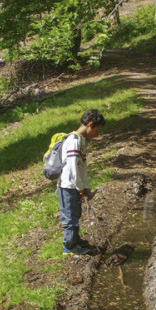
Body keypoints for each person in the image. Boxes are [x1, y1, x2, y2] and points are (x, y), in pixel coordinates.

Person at [58, 108, 105, 255]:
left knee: (76, 213)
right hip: (68, 186)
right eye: (96, 130)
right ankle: (69, 247)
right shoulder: (74, 141)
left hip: (74, 185)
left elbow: (81, 167)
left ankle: (75, 240)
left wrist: (85, 186)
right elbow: (72, 167)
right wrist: (80, 187)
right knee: (70, 217)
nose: (96, 134)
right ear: (90, 124)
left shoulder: (80, 140)